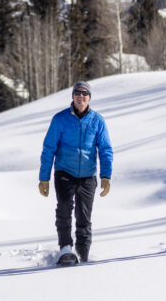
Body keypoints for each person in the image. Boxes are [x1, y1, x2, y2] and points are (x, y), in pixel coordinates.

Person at [38, 80, 113, 264]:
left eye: (84, 93)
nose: (81, 96)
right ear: (72, 96)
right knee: (64, 208)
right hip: (65, 172)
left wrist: (106, 176)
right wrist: (44, 178)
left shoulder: (97, 120)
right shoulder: (60, 119)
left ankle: (83, 254)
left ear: (89, 97)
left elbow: (105, 150)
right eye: (77, 93)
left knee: (84, 216)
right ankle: (65, 249)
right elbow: (49, 149)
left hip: (88, 176)